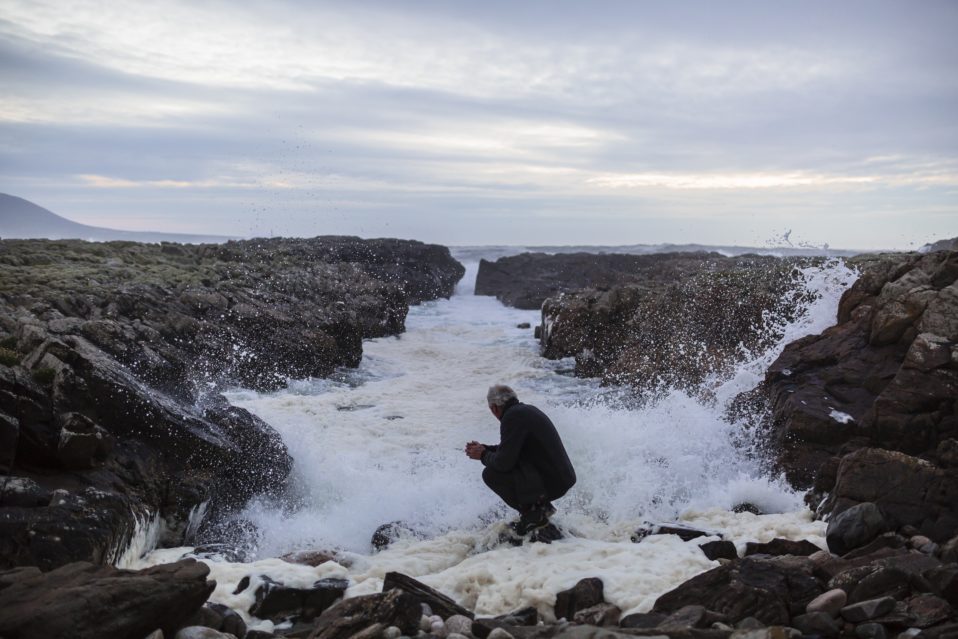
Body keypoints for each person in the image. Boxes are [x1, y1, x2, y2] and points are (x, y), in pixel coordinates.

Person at [465, 384, 576, 534]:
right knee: (509, 465)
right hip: (561, 477)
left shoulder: (512, 417)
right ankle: (541, 509)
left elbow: (503, 463)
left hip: (553, 482)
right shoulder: (524, 411)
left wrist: (483, 455)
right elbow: (510, 450)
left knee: (491, 474)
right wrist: (486, 449)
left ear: (494, 408)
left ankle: (534, 515)